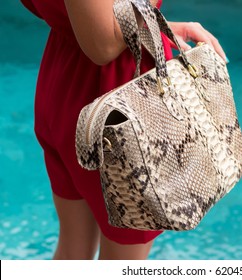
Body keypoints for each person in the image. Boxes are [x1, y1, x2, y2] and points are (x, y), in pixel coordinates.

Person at [20, 0, 227, 260]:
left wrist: (155, 28)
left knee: (73, 249)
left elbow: (92, 22)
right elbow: (104, 45)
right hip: (124, 109)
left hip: (66, 80)